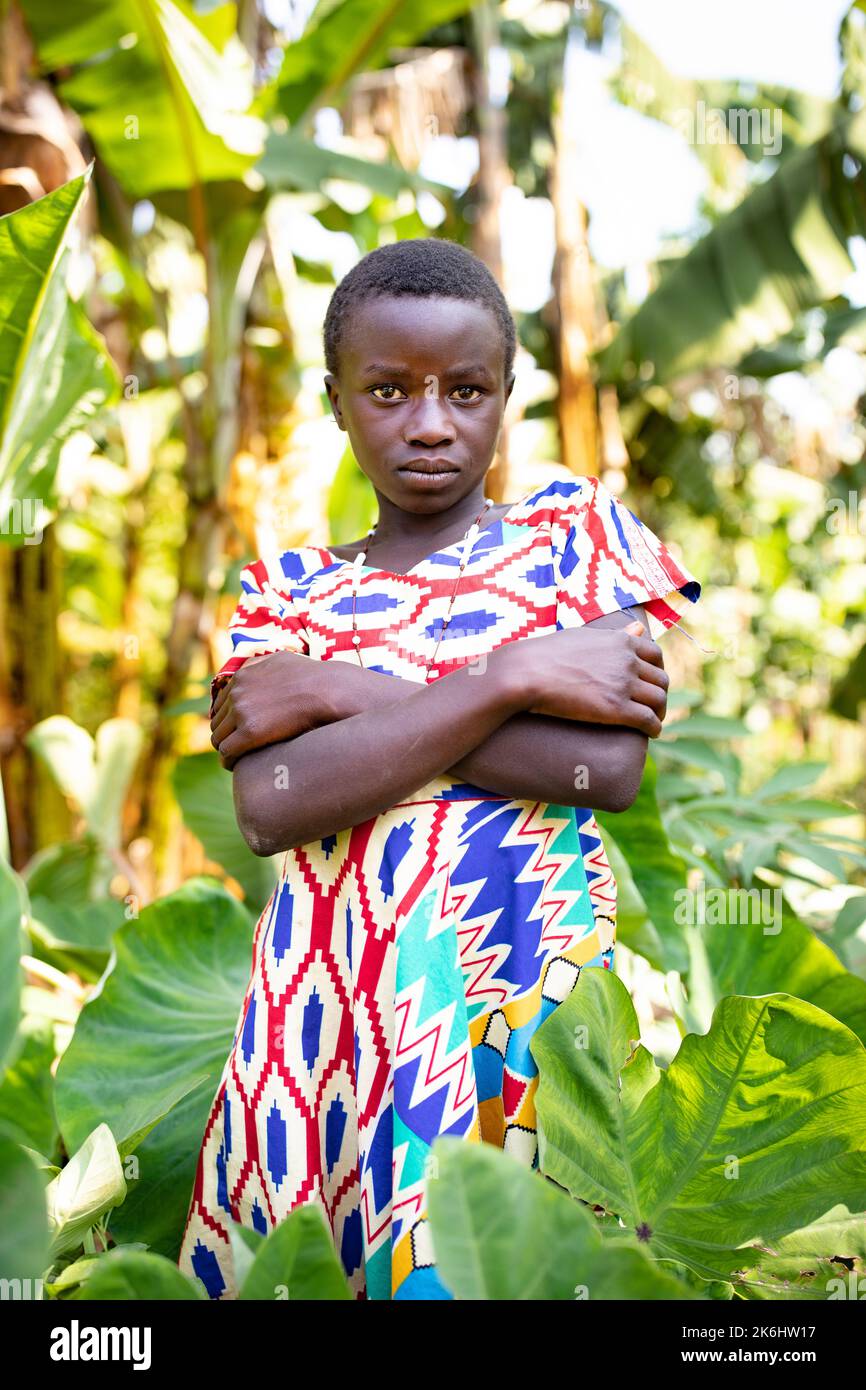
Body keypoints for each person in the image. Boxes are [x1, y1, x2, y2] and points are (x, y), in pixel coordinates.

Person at [177, 237, 701, 1300]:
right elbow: (276, 804)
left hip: (519, 992)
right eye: (387, 391)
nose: (428, 423)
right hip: (336, 1013)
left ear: (505, 394)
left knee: (503, 1262)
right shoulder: (284, 595)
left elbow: (603, 772)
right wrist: (515, 676)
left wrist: (337, 691)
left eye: (466, 391)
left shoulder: (569, 545)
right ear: (334, 401)